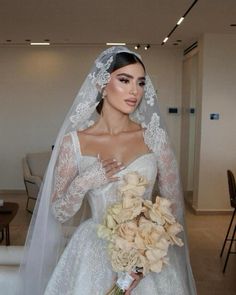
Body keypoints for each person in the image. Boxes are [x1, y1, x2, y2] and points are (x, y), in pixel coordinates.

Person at [18, 46, 197, 295]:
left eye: (141, 82)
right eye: (124, 80)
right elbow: (58, 213)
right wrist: (84, 182)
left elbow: (175, 208)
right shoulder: (74, 143)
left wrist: (146, 256)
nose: (135, 91)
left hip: (145, 257)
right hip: (93, 250)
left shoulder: (155, 138)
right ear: (102, 85)